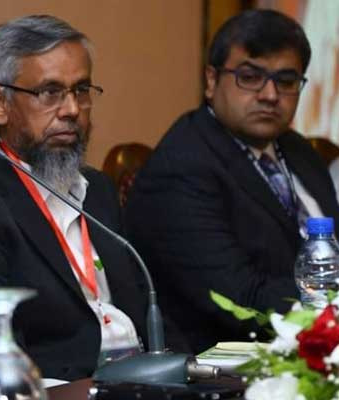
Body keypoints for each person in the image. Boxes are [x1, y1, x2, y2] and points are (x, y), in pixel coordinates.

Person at [0, 15, 151, 382]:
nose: (72, 110)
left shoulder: (100, 191)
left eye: (81, 90)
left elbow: (147, 306)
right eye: (50, 92)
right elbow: (2, 353)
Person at [125, 9, 339, 353]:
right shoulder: (183, 166)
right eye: (250, 77)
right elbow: (242, 298)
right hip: (223, 364)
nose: (270, 95)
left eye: (286, 80)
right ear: (211, 81)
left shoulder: (300, 152)